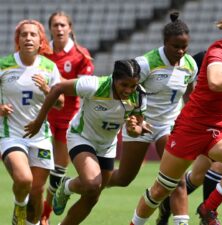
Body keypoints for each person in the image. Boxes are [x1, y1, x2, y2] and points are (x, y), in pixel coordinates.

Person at [129, 6, 222, 225]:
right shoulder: (218, 51)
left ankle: (208, 208)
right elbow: (216, 81)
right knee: (162, 189)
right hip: (191, 128)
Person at [24, 59, 149, 225]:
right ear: (114, 79)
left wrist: (135, 130)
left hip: (106, 146)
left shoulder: (139, 95)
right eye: (124, 85)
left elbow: (138, 128)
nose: (128, 90)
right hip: (81, 137)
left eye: (132, 86)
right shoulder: (94, 85)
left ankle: (67, 186)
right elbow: (57, 88)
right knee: (92, 185)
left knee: (92, 197)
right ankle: (67, 187)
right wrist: (39, 121)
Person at [106, 11, 197, 225]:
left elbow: (191, 93)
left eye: (185, 47)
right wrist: (134, 118)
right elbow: (122, 90)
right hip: (141, 124)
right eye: (176, 46)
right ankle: (86, 182)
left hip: (169, 126)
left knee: (177, 180)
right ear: (165, 42)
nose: (181, 51)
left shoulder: (190, 64)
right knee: (124, 178)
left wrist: (189, 118)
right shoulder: (146, 63)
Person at [0, 19, 63, 225]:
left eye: (33, 35)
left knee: (37, 193)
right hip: (11, 135)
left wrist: (47, 90)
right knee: (24, 179)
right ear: (17, 39)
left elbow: (60, 103)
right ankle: (19, 207)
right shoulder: (4, 65)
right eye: (24, 34)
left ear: (40, 41)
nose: (28, 38)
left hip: (41, 137)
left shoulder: (49, 67)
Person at [40, 11, 94, 225]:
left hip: (67, 119)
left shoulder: (81, 55)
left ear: (70, 28)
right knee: (37, 169)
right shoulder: (41, 52)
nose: (59, 29)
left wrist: (55, 80)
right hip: (43, 115)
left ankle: (46, 211)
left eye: (63, 25)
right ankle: (34, 210)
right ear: (50, 28)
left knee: (58, 170)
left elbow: (84, 89)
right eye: (55, 25)